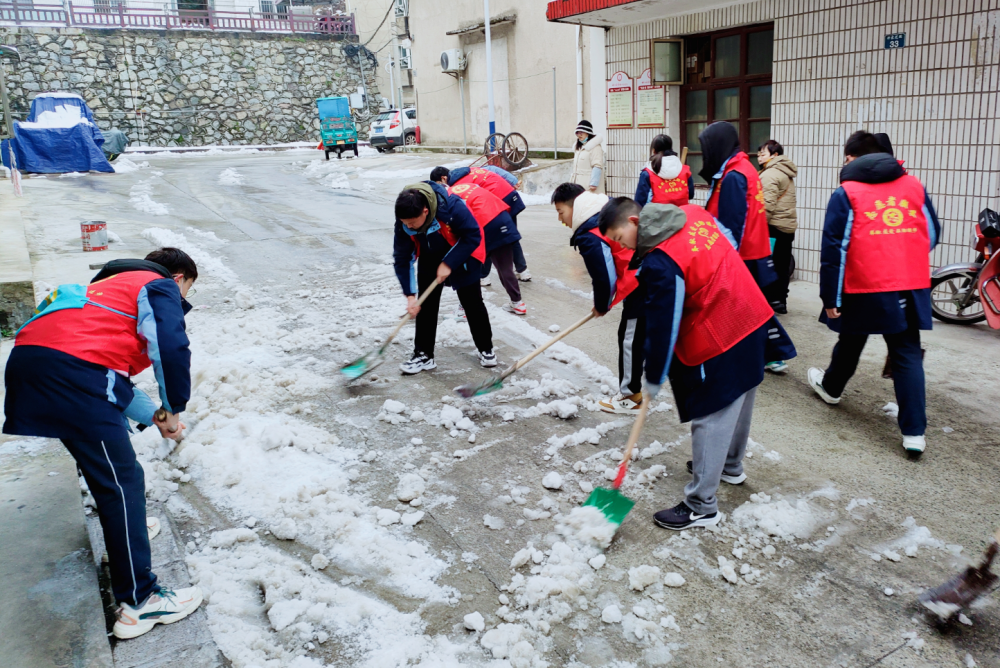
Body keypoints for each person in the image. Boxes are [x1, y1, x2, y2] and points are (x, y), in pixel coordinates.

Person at [3, 248, 203, 639]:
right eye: (186, 292)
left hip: (34, 366)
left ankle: (123, 534)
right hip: (74, 377)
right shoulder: (157, 284)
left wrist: (157, 419)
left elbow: (108, 375)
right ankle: (140, 603)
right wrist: (174, 407)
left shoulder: (101, 289)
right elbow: (171, 346)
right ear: (179, 278)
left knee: (107, 473)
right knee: (124, 484)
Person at [598, 199, 774, 530]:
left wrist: (653, 377)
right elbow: (729, 242)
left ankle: (701, 506)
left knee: (712, 413)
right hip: (751, 311)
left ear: (635, 221)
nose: (622, 246)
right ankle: (730, 466)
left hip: (721, 331)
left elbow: (665, 323)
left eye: (621, 238)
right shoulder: (691, 213)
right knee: (742, 393)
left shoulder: (663, 260)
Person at [808, 130, 941, 455]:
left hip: (863, 284)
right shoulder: (914, 186)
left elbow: (834, 250)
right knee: (907, 352)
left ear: (852, 158)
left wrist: (831, 299)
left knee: (852, 336)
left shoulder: (847, 192)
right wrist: (900, 251)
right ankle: (914, 434)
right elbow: (932, 233)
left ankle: (832, 387)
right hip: (908, 283)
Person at [699, 121, 796, 374]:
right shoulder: (742, 169)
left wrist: (726, 262)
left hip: (743, 256)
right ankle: (772, 354)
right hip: (753, 252)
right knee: (753, 306)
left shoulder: (734, 176)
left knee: (746, 307)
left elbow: (732, 226)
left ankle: (768, 353)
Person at [551, 183, 643, 414]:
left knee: (630, 338)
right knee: (640, 335)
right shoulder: (605, 206)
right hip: (648, 273)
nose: (561, 220)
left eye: (561, 212)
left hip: (641, 281)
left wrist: (602, 305)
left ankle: (631, 397)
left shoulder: (590, 234)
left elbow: (604, 277)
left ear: (574, 206)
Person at [392, 181, 498, 373]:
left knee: (472, 303)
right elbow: (401, 258)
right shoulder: (404, 220)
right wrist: (410, 296)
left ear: (425, 211)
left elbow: (473, 236)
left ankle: (486, 348)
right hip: (429, 256)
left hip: (463, 253)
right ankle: (423, 355)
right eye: (405, 223)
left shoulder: (452, 207)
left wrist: (449, 263)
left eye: (413, 223)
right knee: (425, 306)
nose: (409, 227)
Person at [431, 167, 526, 315]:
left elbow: (457, 231)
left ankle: (464, 308)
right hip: (502, 218)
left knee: (470, 266)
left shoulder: (447, 201)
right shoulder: (468, 185)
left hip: (483, 226)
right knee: (505, 267)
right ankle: (518, 303)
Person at [444, 164, 531, 281]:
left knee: (489, 238)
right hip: (510, 195)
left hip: (498, 203)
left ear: (444, 179)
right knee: (510, 236)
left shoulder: (457, 188)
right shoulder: (473, 170)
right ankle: (522, 270)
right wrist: (512, 180)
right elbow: (494, 168)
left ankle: (484, 276)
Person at [757, 139, 798, 314]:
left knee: (768, 265)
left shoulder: (769, 174)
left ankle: (770, 300)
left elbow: (766, 205)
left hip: (773, 227)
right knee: (782, 265)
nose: (759, 156)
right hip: (787, 226)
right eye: (759, 153)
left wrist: (759, 227)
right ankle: (780, 300)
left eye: (763, 153)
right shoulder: (785, 172)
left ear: (775, 155)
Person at [634, 134, 694, 206]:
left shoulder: (647, 172)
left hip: (656, 215)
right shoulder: (684, 170)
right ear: (671, 148)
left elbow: (640, 201)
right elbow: (690, 195)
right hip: (680, 214)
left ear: (653, 150)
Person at [571, 120, 605, 194]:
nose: (579, 135)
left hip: (589, 187)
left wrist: (594, 183)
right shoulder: (579, 147)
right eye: (577, 133)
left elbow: (597, 165)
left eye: (581, 133)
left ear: (588, 133)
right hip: (578, 185)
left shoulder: (595, 147)